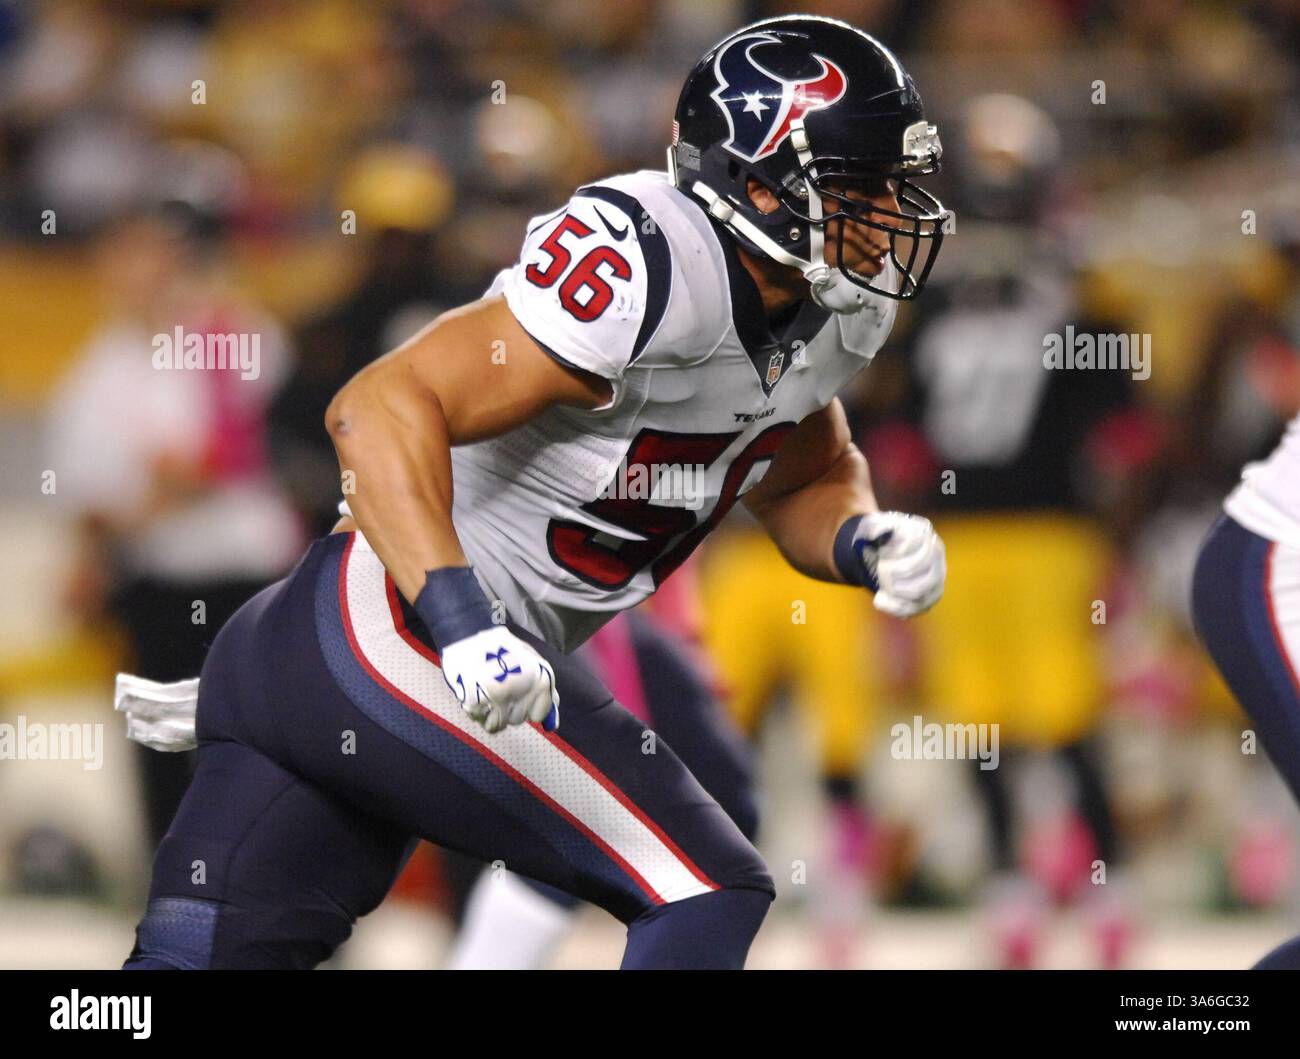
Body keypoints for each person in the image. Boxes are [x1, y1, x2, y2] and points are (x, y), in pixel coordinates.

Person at [122, 15, 948, 971]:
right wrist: (464, 623)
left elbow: (800, 465)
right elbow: (379, 405)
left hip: (338, 652)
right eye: (860, 187)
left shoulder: (835, 306)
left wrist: (861, 539)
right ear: (754, 183)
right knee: (706, 888)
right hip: (400, 633)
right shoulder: (651, 258)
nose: (890, 214)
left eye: (896, 184)